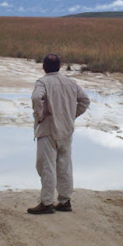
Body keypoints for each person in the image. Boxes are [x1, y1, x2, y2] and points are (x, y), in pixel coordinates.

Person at [27, 54, 90, 215]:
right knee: (64, 165)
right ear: (60, 66)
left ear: (44, 67)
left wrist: (39, 115)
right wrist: (71, 115)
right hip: (66, 129)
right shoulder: (71, 82)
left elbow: (36, 97)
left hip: (48, 129)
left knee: (47, 165)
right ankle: (65, 200)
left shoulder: (43, 82)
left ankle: (47, 202)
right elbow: (85, 101)